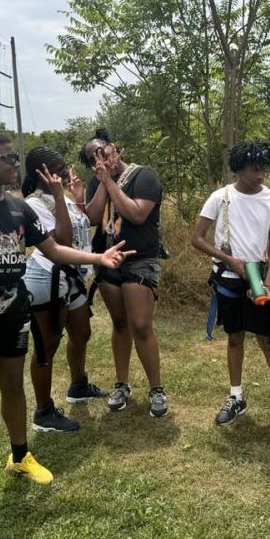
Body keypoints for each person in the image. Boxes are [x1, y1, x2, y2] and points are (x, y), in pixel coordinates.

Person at [0, 132, 131, 524]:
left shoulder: (19, 209)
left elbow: (53, 249)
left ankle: (19, 456)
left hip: (15, 308)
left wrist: (98, 256)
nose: (17, 164)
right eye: (9, 158)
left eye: (16, 158)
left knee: (14, 385)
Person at [191, 141, 270, 445]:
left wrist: (267, 283)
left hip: (259, 280)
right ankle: (236, 397)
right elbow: (197, 238)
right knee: (235, 337)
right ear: (238, 168)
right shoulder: (220, 198)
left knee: (269, 342)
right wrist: (229, 260)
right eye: (255, 168)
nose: (261, 174)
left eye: (264, 167)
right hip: (228, 278)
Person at [80, 129, 168, 418]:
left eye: (102, 152)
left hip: (139, 258)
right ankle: (121, 384)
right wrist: (102, 182)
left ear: (114, 147)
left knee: (141, 325)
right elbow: (92, 218)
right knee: (119, 323)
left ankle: (156, 388)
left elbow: (137, 214)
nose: (101, 160)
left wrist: (108, 181)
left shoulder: (143, 175)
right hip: (108, 260)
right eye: (93, 159)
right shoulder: (98, 181)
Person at [22, 147, 108, 434]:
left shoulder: (63, 197)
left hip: (73, 278)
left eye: (61, 166)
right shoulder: (33, 203)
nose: (60, 172)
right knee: (48, 345)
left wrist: (77, 197)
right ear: (39, 173)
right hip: (47, 278)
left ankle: (78, 385)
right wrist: (61, 196)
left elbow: (84, 224)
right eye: (54, 168)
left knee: (82, 332)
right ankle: (43, 411)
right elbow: (62, 240)